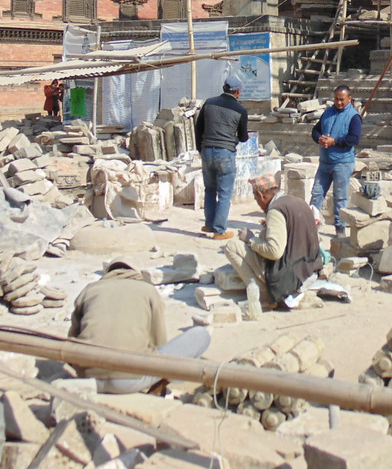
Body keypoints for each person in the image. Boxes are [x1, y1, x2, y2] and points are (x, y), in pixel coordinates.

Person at [68, 258, 210, 394]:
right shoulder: (147, 290)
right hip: (128, 380)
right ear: (136, 274)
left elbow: (72, 338)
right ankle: (162, 386)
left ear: (108, 273)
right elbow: (158, 339)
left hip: (87, 377)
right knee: (201, 335)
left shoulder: (90, 289)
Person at [224, 174, 324, 309]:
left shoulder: (276, 210)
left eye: (256, 198)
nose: (257, 203)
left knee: (232, 246)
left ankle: (261, 295)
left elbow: (274, 252)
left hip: (289, 278)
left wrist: (250, 240)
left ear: (261, 195)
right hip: (310, 270)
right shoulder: (298, 202)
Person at [194, 74, 249, 240]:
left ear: (224, 88)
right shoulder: (240, 110)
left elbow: (198, 128)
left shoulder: (209, 103)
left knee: (210, 189)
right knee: (225, 193)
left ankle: (209, 224)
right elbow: (244, 136)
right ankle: (220, 230)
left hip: (206, 151)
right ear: (238, 92)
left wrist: (200, 149)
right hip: (225, 153)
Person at [309, 84, 362, 237]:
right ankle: (311, 225)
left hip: (342, 163)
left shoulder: (353, 116)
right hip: (325, 162)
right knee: (316, 193)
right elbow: (315, 130)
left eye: (342, 100)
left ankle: (340, 229)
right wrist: (319, 138)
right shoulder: (328, 112)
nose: (339, 102)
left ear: (349, 99)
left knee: (339, 197)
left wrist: (334, 141)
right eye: (336, 99)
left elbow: (354, 138)